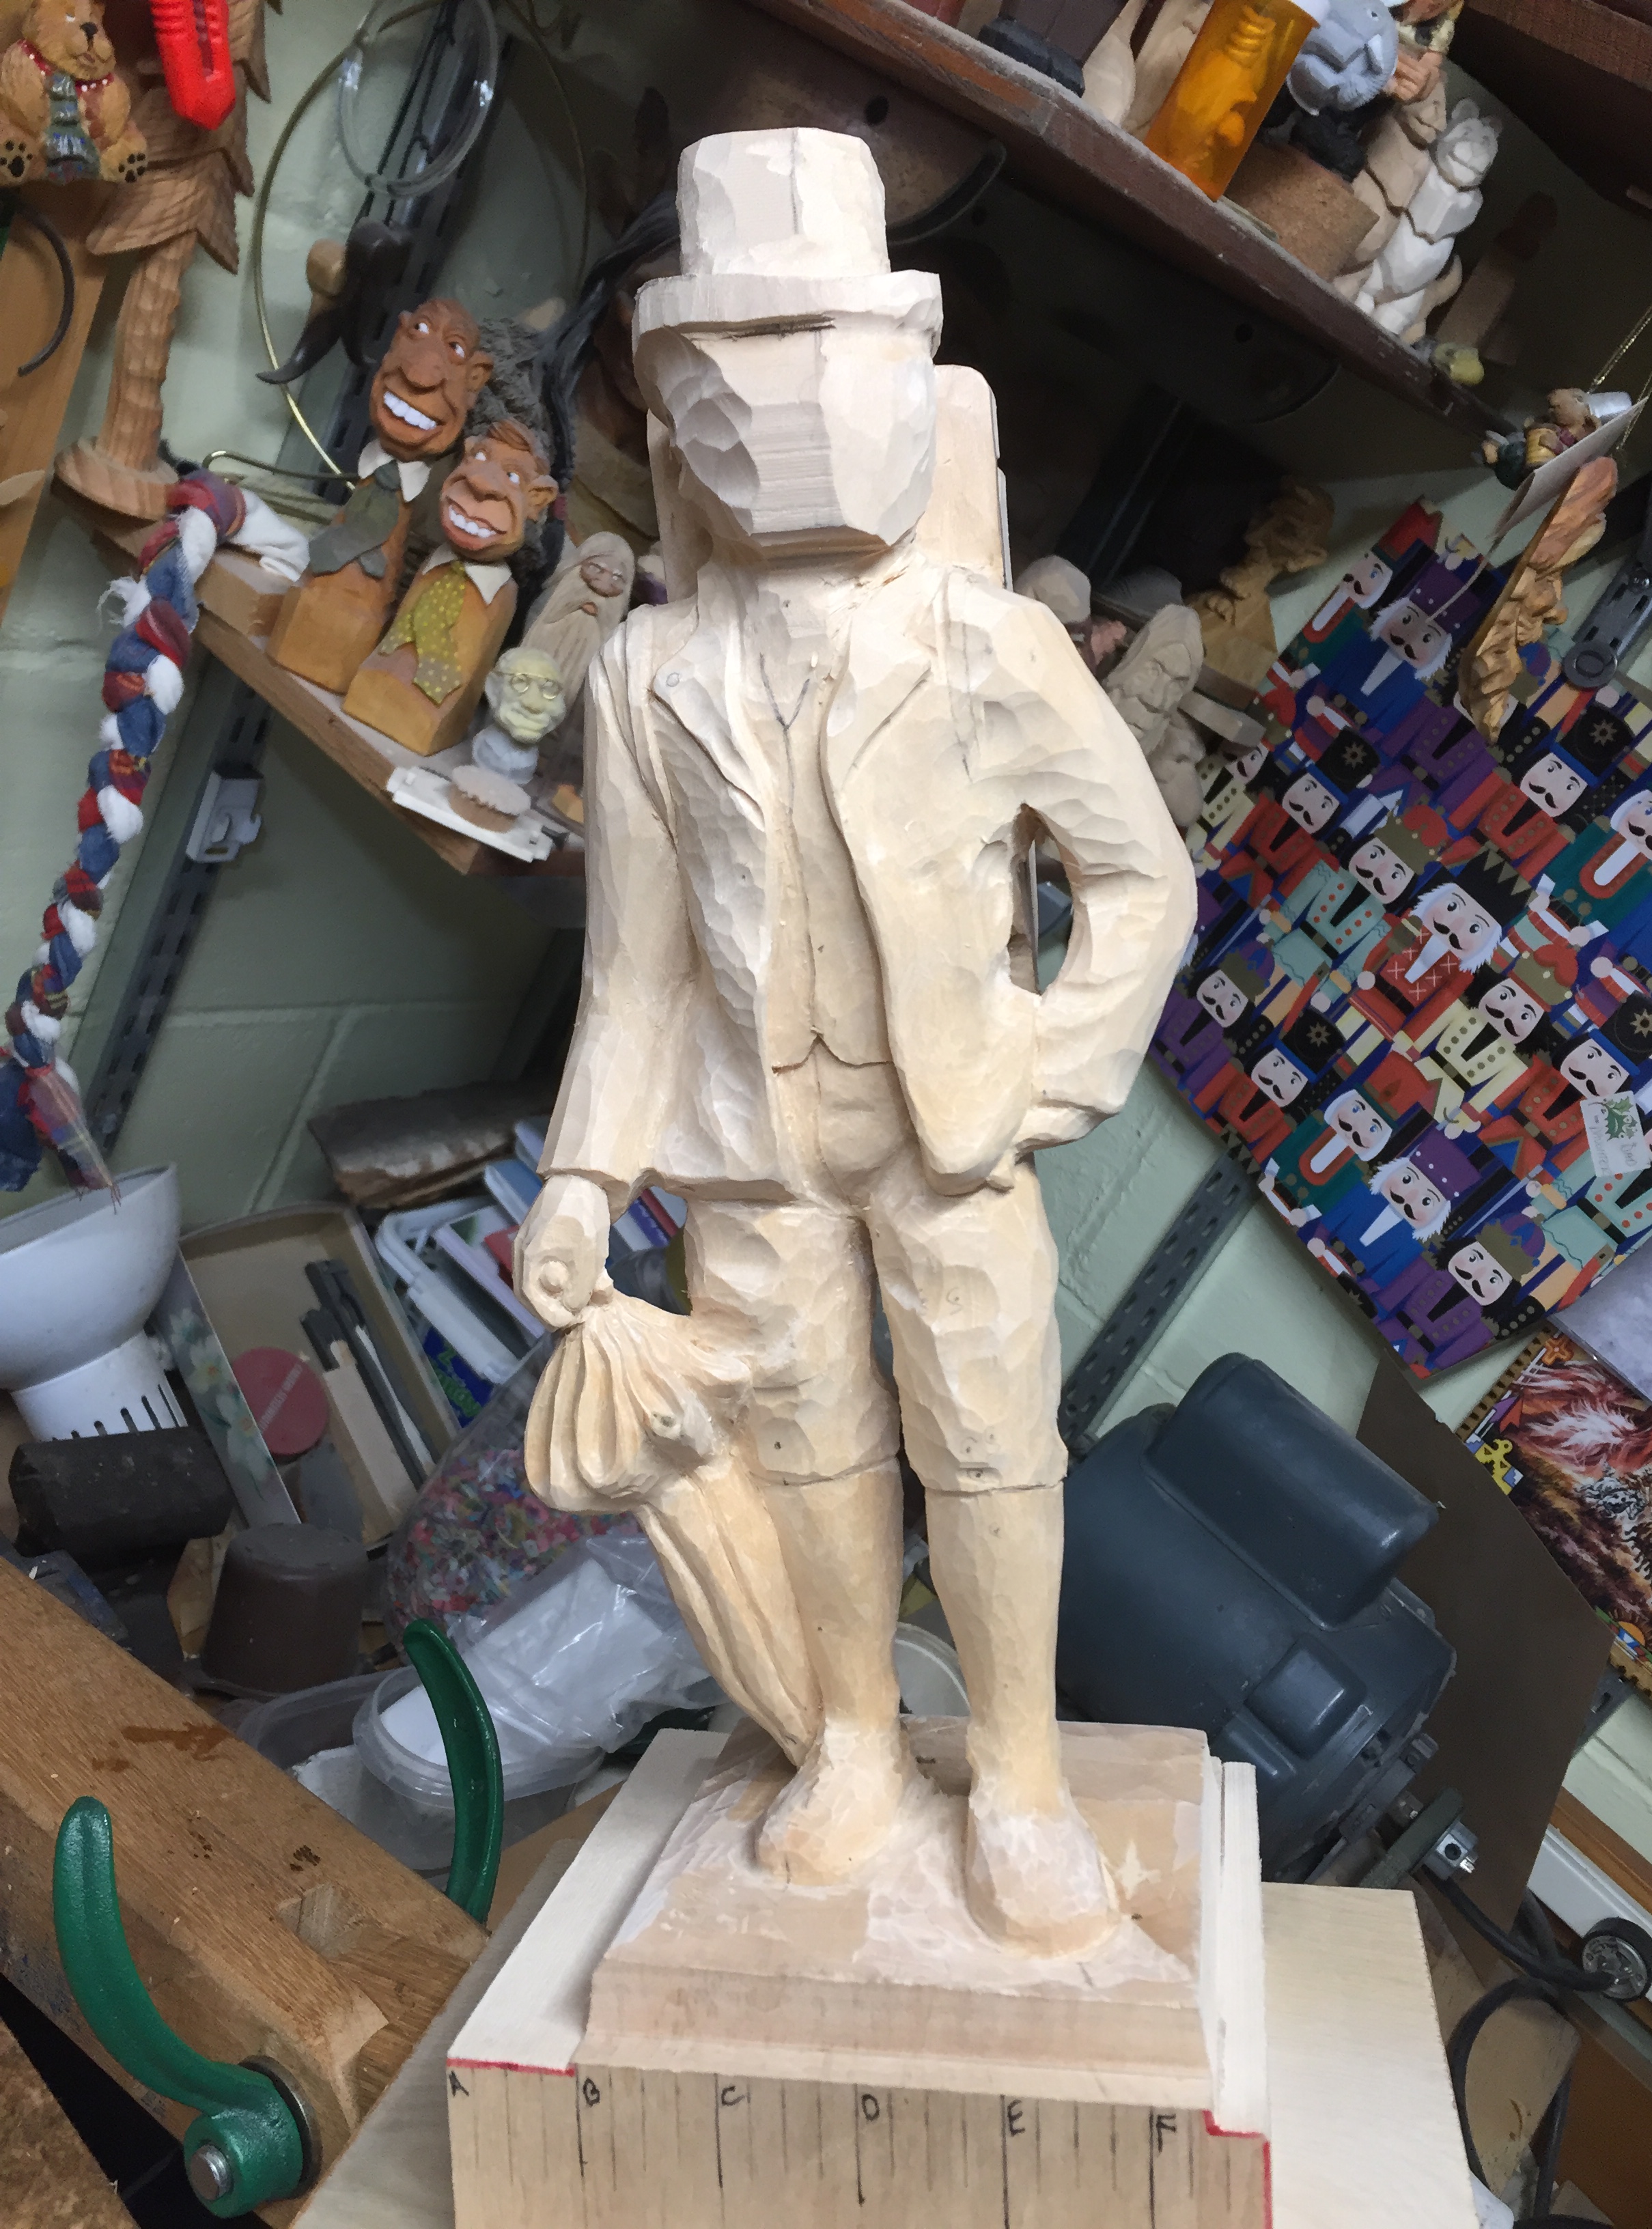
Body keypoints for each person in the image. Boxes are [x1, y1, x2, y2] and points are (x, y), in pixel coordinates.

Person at [514, 130, 1193, 1958]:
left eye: (829, 369)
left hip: (949, 1140)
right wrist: (582, 1175)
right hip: (750, 1153)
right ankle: (858, 1747)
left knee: (990, 1446)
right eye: (737, 382)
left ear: (905, 387)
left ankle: (1023, 1779)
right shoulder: (645, 677)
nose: (790, 421)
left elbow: (1140, 881)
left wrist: (1049, 1070)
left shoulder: (990, 649)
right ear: (676, 417)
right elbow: (634, 976)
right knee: (807, 1444)